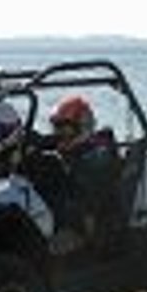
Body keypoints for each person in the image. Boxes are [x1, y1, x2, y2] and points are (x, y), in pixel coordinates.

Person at [46, 95, 122, 249]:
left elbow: (89, 201)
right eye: (57, 127)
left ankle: (87, 247)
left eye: (65, 128)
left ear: (83, 127)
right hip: (76, 218)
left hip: (98, 229)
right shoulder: (74, 152)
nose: (60, 134)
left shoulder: (98, 154)